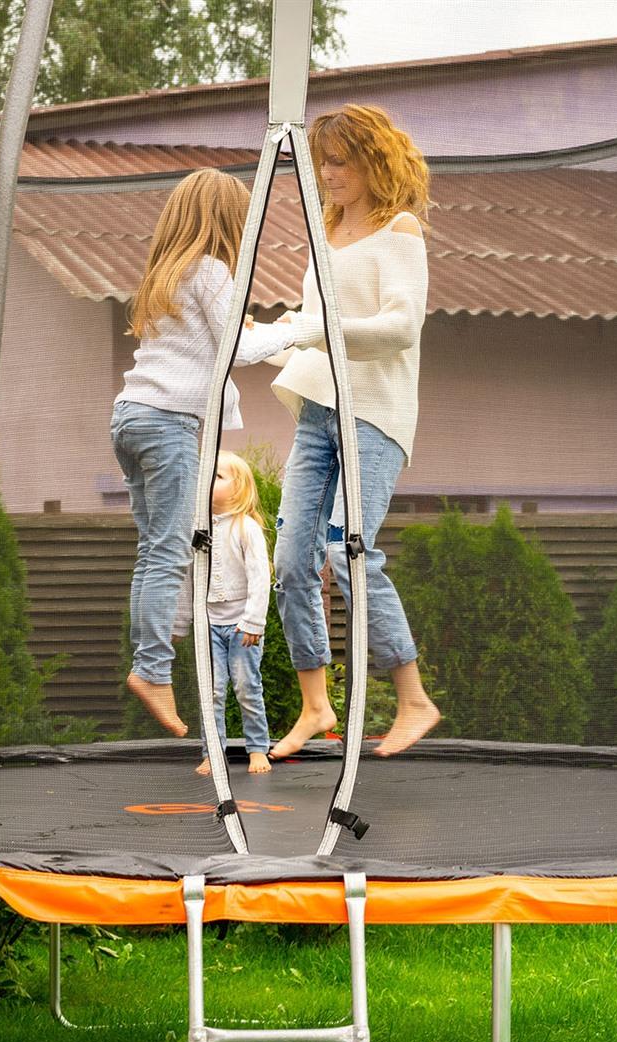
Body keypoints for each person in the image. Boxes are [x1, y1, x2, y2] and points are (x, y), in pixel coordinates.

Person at [264, 104, 441, 758]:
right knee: (290, 563)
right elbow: (312, 324)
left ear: (373, 159)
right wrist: (276, 333)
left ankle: (414, 698)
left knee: (349, 548)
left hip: (373, 414)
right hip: (318, 408)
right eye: (323, 162)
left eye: (339, 161)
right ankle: (316, 705)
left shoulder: (400, 231)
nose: (328, 173)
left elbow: (399, 327)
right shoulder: (327, 231)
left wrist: (316, 330)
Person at [113, 168, 309, 737]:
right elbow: (239, 351)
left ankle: (155, 658)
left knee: (157, 551)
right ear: (226, 221)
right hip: (168, 423)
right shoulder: (214, 269)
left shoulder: (167, 273)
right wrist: (297, 331)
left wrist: (257, 326)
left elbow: (209, 339)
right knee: (169, 551)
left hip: (130, 417)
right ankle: (151, 668)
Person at [185, 451, 273, 776]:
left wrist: (254, 620)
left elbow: (260, 576)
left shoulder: (245, 527)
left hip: (241, 626)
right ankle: (213, 753)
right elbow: (187, 574)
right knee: (213, 690)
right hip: (209, 624)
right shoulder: (198, 528)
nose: (207, 481)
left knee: (247, 687)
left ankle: (258, 749)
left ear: (238, 489)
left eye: (217, 477)